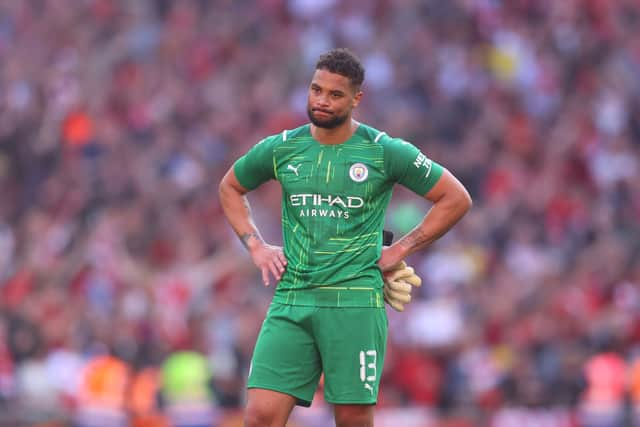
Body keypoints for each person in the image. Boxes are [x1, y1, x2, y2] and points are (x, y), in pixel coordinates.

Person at [218, 48, 472, 427]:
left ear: (356, 99)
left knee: (352, 417)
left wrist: (400, 249)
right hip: (293, 297)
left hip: (354, 302)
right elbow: (231, 186)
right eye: (316, 90)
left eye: (335, 94)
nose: (322, 101)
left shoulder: (384, 151)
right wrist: (255, 244)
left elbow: (455, 198)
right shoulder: (283, 147)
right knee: (259, 416)